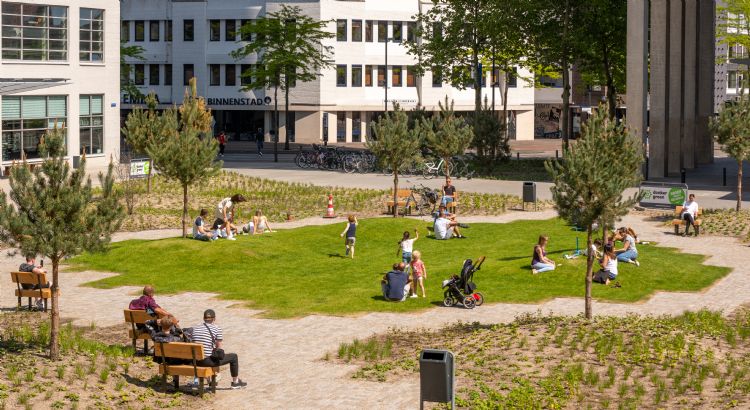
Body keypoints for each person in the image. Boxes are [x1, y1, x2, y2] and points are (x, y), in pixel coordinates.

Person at [192, 309, 247, 389]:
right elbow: (219, 347)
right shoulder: (217, 328)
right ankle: (236, 382)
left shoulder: (195, 328)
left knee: (210, 354)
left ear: (203, 318)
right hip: (206, 361)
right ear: (214, 318)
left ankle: (211, 380)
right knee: (233, 357)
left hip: (195, 361)